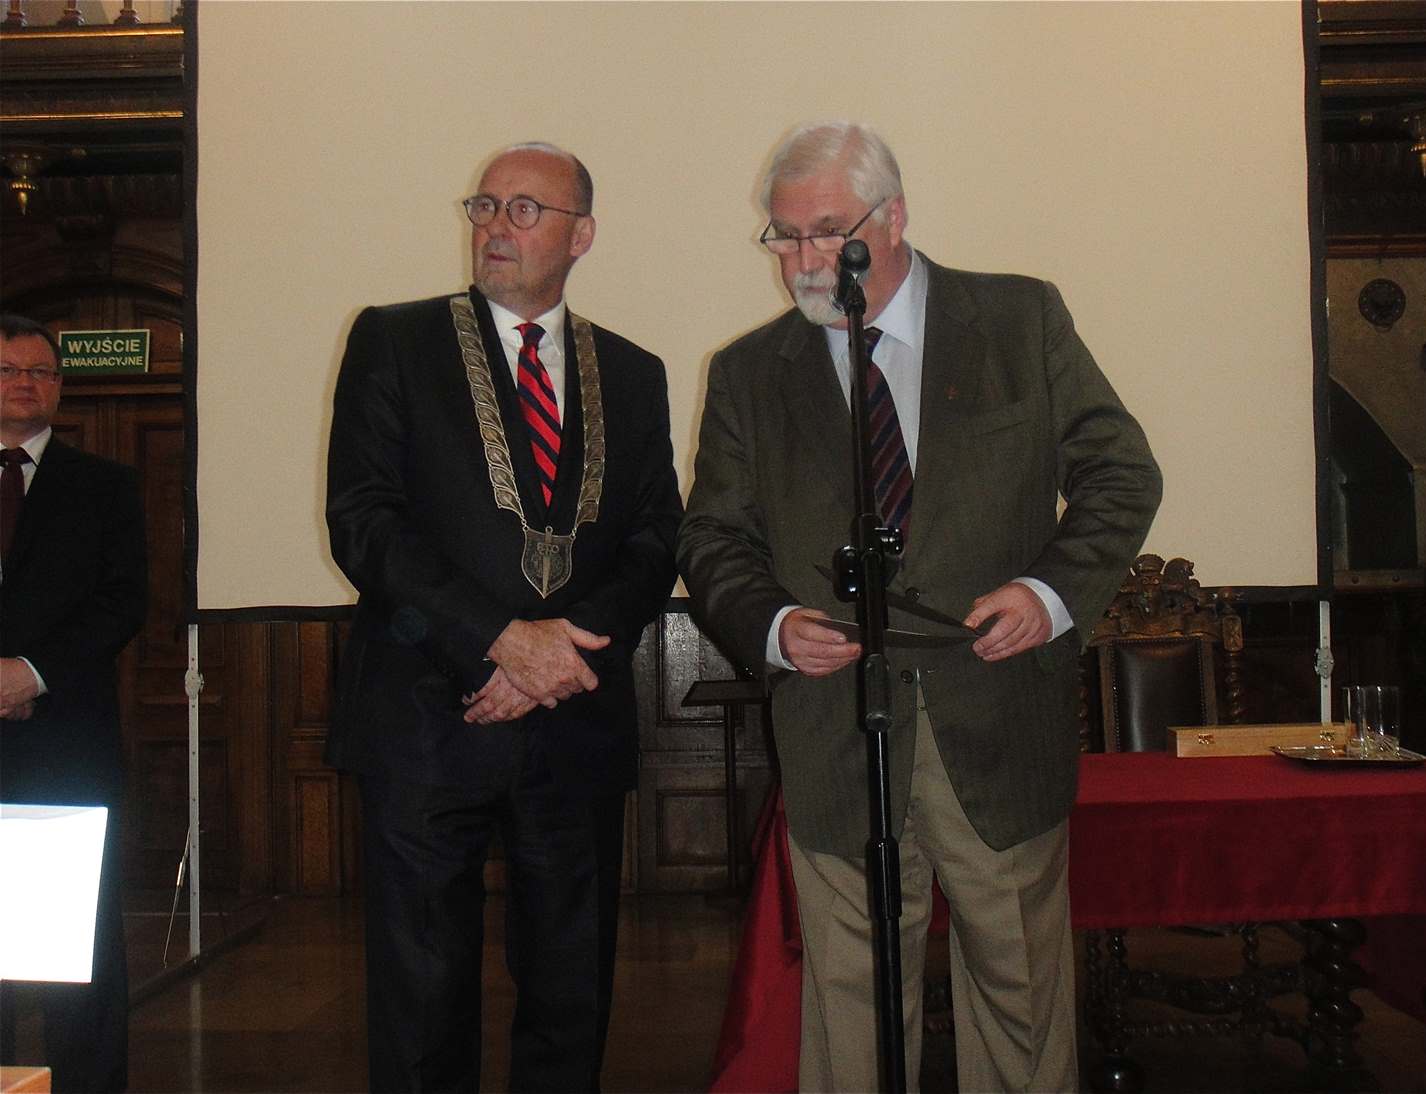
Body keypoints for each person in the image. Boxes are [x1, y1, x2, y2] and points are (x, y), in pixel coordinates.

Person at [678, 122, 1162, 1091]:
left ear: (892, 217)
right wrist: (772, 623)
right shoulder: (748, 370)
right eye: (785, 237)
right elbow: (712, 537)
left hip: (995, 707)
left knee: (1018, 990)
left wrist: (1048, 593)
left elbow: (1119, 473)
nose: (804, 261)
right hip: (833, 724)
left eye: (827, 232)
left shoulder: (1017, 319)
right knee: (849, 1004)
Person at [325, 142, 682, 1093]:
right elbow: (364, 521)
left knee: (570, 991)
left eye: (525, 209)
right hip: (425, 719)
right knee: (421, 996)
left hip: (573, 718)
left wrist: (562, 656)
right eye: (485, 206)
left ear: (581, 235)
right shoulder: (395, 341)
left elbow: (656, 537)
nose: (495, 226)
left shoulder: (633, 371)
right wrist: (499, 642)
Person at [0, 314, 148, 1092]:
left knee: (71, 947)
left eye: (41, 372)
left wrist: (31, 673)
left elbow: (122, 601)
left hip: (63, 745)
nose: (25, 383)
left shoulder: (103, 486)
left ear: (59, 387)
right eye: (8, 370)